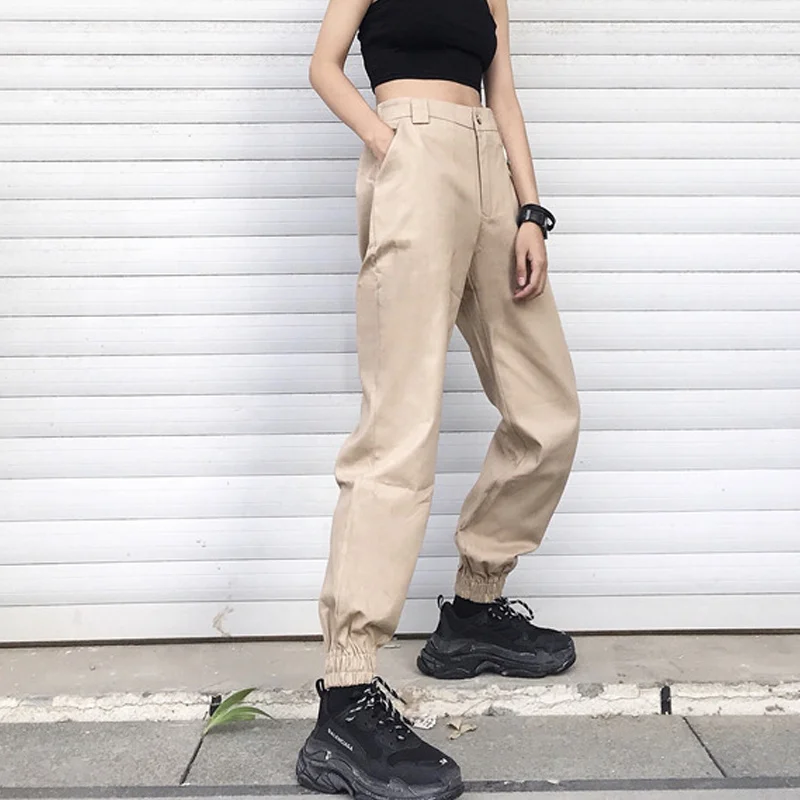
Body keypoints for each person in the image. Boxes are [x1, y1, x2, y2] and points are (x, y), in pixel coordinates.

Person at [296, 0, 581, 796]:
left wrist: (530, 211)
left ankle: (472, 612)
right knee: (400, 428)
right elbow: (324, 66)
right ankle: (347, 697)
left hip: (491, 171)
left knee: (547, 411)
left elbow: (504, 95)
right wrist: (390, 145)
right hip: (413, 156)